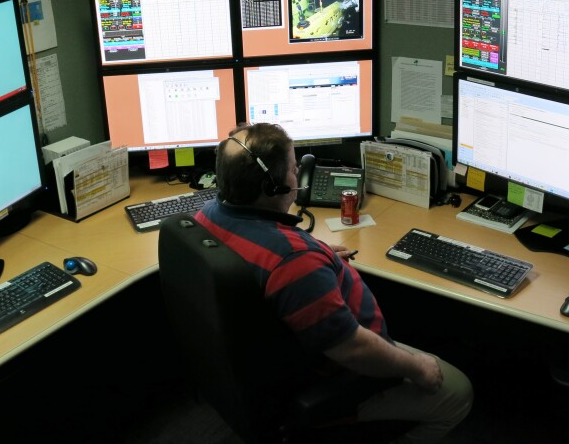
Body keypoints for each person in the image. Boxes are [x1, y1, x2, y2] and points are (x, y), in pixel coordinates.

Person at [194, 122, 473, 444]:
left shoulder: (209, 214)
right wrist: (416, 367)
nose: (296, 174)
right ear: (275, 187)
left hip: (262, 366)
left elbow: (265, 255)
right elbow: (352, 348)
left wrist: (317, 255)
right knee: (458, 393)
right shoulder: (294, 264)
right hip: (342, 376)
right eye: (293, 168)